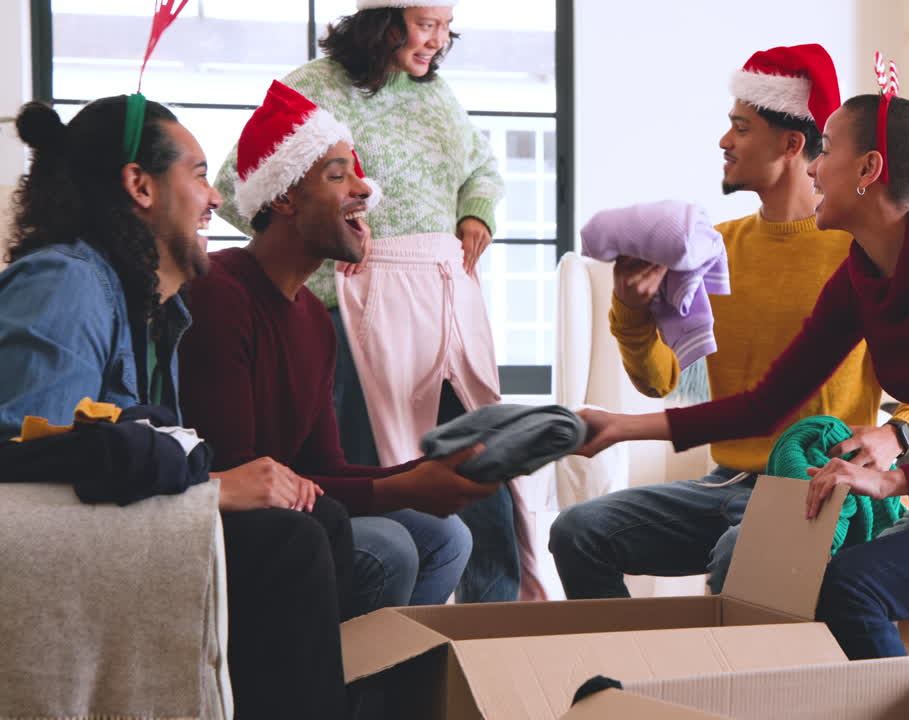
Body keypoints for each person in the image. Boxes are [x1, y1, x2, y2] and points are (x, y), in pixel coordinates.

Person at [572, 81, 909, 659]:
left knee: (848, 584)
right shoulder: (860, 275)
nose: (815, 170)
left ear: (869, 168)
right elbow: (767, 404)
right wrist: (623, 426)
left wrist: (893, 476)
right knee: (826, 578)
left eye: (826, 152)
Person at [0, 97, 350, 718]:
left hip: (121, 535)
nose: (215, 198)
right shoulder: (66, 282)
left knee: (323, 525)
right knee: (288, 546)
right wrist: (212, 489)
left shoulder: (160, 311)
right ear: (139, 185)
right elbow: (28, 453)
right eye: (197, 173)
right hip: (65, 555)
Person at [549, 44, 909, 599]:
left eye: (741, 128)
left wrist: (897, 432)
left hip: (810, 485)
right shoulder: (713, 248)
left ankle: (733, 681)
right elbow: (659, 380)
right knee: (578, 532)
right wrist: (631, 304)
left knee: (735, 556)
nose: (725, 142)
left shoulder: (857, 254)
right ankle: (626, 671)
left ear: (792, 144)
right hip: (724, 482)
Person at [213, 0, 528, 604]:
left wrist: (475, 212)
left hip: (443, 305)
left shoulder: (437, 96)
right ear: (383, 21)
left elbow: (483, 168)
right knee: (371, 476)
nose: (439, 40)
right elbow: (240, 189)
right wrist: (333, 252)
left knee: (479, 474)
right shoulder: (313, 87)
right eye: (426, 24)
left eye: (446, 27)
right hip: (353, 310)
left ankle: (491, 633)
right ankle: (375, 636)